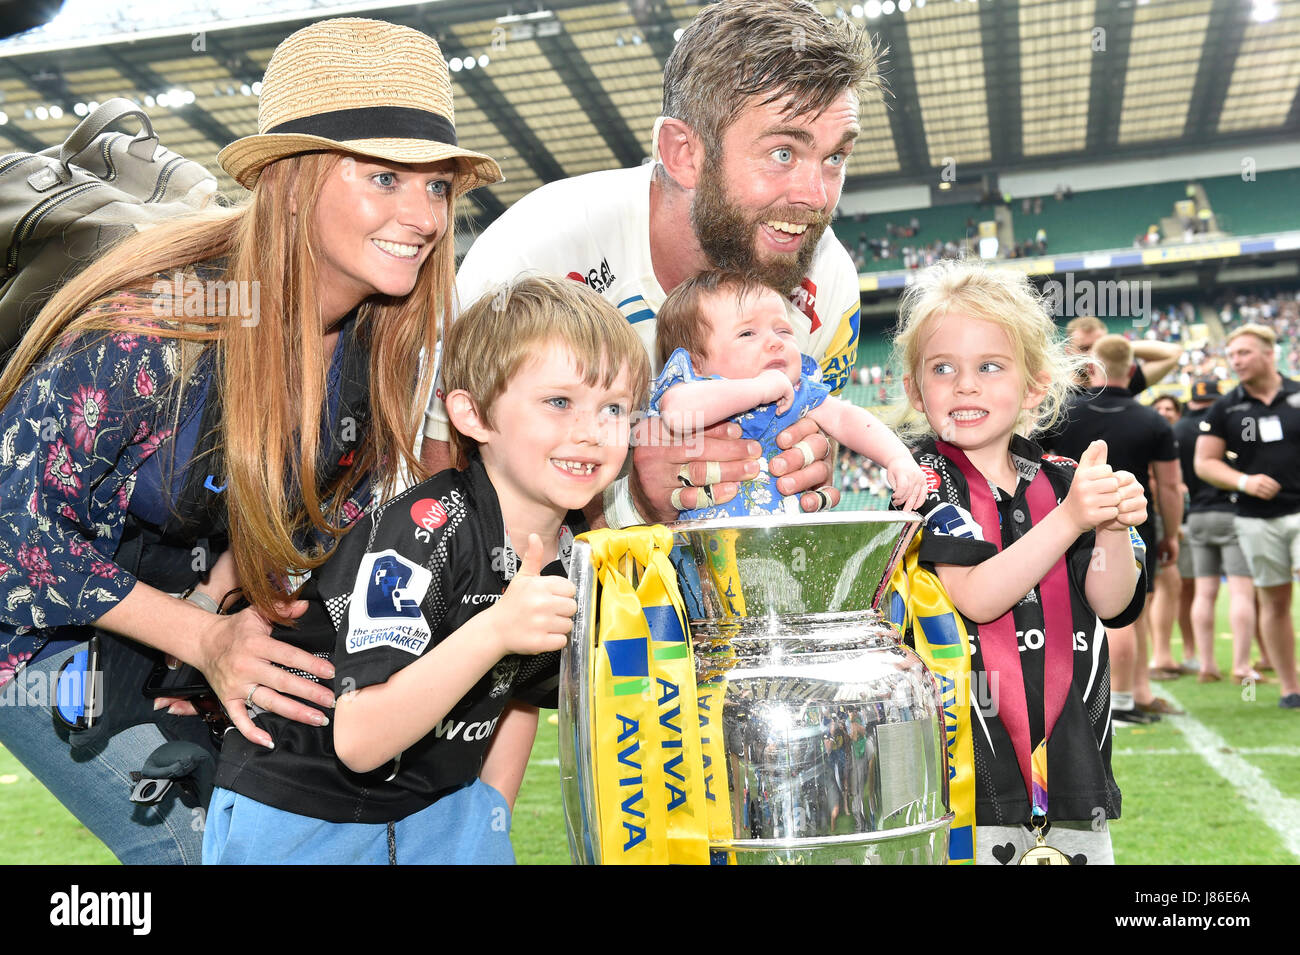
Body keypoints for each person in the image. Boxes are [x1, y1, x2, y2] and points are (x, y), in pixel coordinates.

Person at [0, 18, 502, 864]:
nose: (421, 216)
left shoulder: (380, 340)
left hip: (170, 613)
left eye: (437, 187)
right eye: (384, 177)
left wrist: (215, 621)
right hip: (35, 630)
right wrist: (201, 640)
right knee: (204, 849)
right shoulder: (158, 329)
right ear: (296, 182)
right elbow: (14, 535)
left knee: (287, 824)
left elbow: (299, 510)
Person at [205, 277, 647, 863]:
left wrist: (489, 816)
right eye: (559, 402)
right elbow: (359, 739)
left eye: (614, 408)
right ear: (472, 415)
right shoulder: (424, 529)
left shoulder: (579, 551)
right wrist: (495, 630)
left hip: (439, 807)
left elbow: (515, 693)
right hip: (304, 812)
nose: (591, 431)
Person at [424, 0, 880, 528]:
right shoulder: (537, 251)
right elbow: (442, 478)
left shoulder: (829, 280)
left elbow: (808, 446)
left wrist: (802, 467)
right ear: (683, 152)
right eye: (783, 152)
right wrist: (627, 501)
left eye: (835, 157)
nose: (816, 195)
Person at [893, 261, 1146, 865]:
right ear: (914, 389)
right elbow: (978, 596)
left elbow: (1112, 605)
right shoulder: (921, 483)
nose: (965, 385)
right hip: (961, 774)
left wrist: (1109, 525)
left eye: (990, 366)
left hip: (1071, 763)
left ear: (1034, 386)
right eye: (942, 368)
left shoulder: (1064, 481)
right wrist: (1073, 519)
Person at [649, 271, 924, 518]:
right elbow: (675, 413)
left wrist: (896, 457)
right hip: (707, 555)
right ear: (696, 363)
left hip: (789, 547)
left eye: (783, 330)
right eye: (747, 333)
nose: (775, 342)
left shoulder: (799, 390)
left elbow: (845, 418)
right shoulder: (693, 389)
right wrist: (759, 389)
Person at [1047, 334, 1181, 725]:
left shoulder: (1063, 410)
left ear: (1090, 367)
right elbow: (1170, 486)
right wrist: (1172, 533)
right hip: (1132, 519)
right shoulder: (1152, 418)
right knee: (1125, 613)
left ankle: (1132, 694)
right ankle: (1121, 700)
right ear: (1135, 371)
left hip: (1068, 517)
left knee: (1101, 615)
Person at [1194, 324, 1300, 708]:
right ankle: (1291, 687)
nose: (1236, 361)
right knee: (1274, 602)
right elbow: (1204, 463)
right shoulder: (1228, 406)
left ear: (1270, 353)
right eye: (1232, 354)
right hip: (1255, 518)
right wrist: (1243, 480)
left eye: (1244, 353)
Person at [1176, 378, 1257, 683]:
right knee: (1240, 591)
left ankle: (1207, 664)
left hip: (1196, 513)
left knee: (1204, 592)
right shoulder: (1230, 423)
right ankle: (1240, 665)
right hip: (1230, 510)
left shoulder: (1178, 429)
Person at [1148, 394, 1196, 677]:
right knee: (1161, 586)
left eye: (1170, 408)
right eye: (1160, 408)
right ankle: (1160, 657)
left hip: (1169, 522)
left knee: (1175, 586)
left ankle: (1169, 654)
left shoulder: (1176, 440)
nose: (1165, 412)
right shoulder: (1153, 438)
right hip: (1155, 521)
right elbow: (1164, 485)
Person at [1065, 315, 1182, 393]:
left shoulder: (1121, 382)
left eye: (1099, 345)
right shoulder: (1059, 396)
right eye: (1084, 348)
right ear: (1069, 352)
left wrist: (1119, 346)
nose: (1093, 354)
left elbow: (1174, 352)